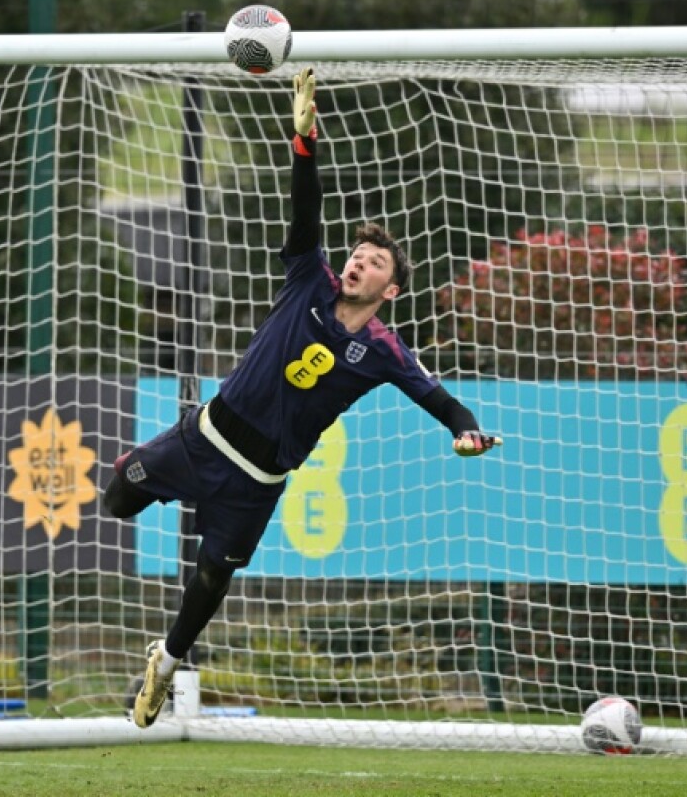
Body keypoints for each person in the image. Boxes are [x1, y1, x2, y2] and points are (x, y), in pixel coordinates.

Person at [103, 67, 500, 729]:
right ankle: (143, 473)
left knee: (211, 578)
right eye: (356, 255)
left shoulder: (383, 350)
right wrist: (303, 139)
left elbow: (444, 404)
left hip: (257, 480)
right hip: (206, 436)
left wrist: (468, 431)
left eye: (374, 263)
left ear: (390, 290)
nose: (357, 263)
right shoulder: (305, 278)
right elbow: (305, 205)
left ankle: (164, 666)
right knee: (118, 500)